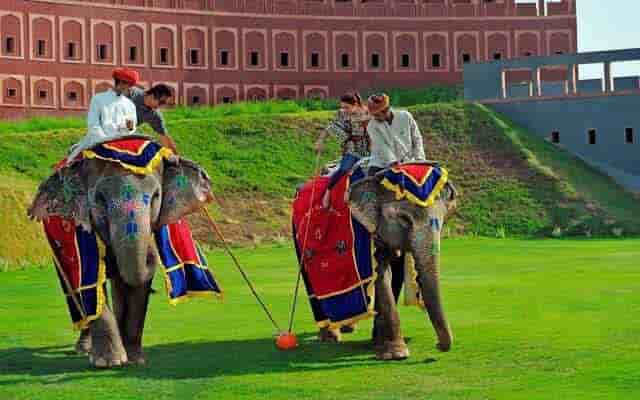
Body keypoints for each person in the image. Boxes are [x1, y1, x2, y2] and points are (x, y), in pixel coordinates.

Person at [67, 68, 140, 162]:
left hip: (123, 142)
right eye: (128, 84)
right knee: (74, 163)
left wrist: (129, 128)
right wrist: (105, 141)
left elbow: (131, 128)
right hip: (99, 141)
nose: (129, 88)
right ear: (120, 82)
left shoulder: (129, 104)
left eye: (130, 85)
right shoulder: (98, 99)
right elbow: (93, 124)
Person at [314, 91, 370, 209]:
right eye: (342, 107)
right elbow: (331, 127)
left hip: (369, 148)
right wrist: (320, 141)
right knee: (344, 168)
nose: (344, 110)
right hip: (351, 147)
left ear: (356, 105)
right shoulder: (342, 114)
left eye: (347, 107)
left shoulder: (367, 112)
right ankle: (328, 192)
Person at [366, 93, 426, 176]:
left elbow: (417, 139)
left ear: (386, 110)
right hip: (382, 163)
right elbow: (382, 147)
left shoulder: (405, 116)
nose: (374, 118)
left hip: (408, 161)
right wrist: (393, 162)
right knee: (371, 181)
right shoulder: (372, 126)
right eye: (372, 115)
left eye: (376, 115)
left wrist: (419, 159)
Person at [127, 84, 178, 154]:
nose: (161, 106)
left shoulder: (154, 115)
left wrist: (177, 156)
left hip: (126, 134)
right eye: (161, 102)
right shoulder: (131, 93)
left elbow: (164, 137)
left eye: (164, 103)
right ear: (152, 96)